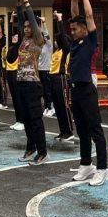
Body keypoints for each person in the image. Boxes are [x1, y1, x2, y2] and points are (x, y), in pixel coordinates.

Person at [68, 0, 108, 186]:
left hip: (87, 89)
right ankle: (86, 164)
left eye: (76, 29)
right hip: (75, 89)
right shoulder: (76, 43)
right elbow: (75, 14)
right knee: (82, 129)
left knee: (95, 129)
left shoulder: (92, 40)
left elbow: (89, 17)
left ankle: (102, 168)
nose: (73, 32)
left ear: (85, 30)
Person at [14, 0, 47, 164]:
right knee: (25, 119)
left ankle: (42, 152)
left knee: (35, 120)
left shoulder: (38, 40)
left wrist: (27, 4)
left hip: (33, 84)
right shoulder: (23, 40)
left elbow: (33, 24)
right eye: (25, 27)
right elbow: (21, 22)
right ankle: (31, 147)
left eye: (29, 27)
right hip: (21, 83)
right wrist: (18, 5)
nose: (26, 29)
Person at [49, 10, 75, 144]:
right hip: (53, 79)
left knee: (64, 106)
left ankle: (69, 131)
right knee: (57, 106)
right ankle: (62, 130)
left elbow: (64, 38)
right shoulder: (56, 52)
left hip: (61, 78)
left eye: (56, 40)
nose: (54, 42)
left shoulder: (66, 50)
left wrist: (59, 20)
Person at [5, 11, 23, 131]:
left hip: (16, 73)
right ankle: (17, 120)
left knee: (19, 98)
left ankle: (22, 121)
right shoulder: (11, 46)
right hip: (9, 74)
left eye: (17, 36)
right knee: (15, 99)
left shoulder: (19, 46)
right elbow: (10, 32)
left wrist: (17, 19)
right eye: (14, 37)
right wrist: (11, 18)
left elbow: (19, 32)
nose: (15, 37)